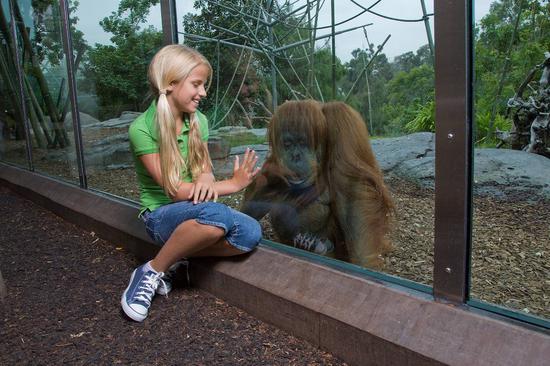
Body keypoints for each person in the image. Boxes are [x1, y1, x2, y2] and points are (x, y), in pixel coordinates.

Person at [122, 44, 262, 322]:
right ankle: (150, 271)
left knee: (250, 231)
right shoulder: (141, 129)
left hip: (197, 210)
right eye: (197, 84)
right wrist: (232, 185)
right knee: (217, 214)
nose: (204, 92)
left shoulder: (200, 121)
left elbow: (203, 172)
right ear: (171, 83)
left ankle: (178, 257)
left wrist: (208, 177)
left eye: (204, 84)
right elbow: (175, 193)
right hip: (161, 216)